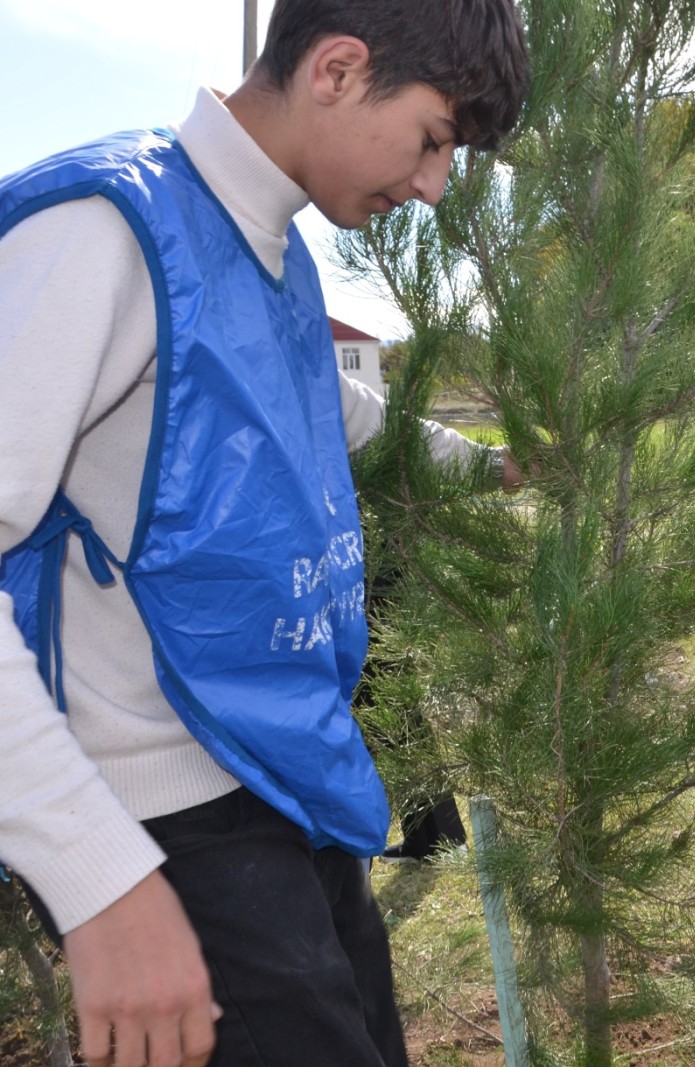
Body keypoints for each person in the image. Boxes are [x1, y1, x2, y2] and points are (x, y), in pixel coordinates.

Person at [0, 2, 529, 1065]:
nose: (432, 187)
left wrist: (498, 470)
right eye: (433, 139)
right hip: (165, 823)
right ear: (336, 68)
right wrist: (99, 876)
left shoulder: (272, 252)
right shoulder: (101, 233)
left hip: (280, 770)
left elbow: (337, 413)